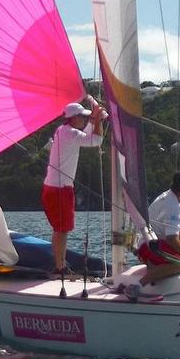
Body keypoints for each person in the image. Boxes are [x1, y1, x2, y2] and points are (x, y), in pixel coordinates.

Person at [42, 98, 107, 274]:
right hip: (59, 189)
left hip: (56, 187)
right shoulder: (70, 133)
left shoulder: (63, 131)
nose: (84, 120)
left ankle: (60, 265)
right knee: (62, 229)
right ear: (73, 118)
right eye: (82, 117)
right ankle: (60, 266)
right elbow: (96, 140)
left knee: (61, 229)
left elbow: (86, 135)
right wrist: (98, 120)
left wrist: (93, 120)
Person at [136, 170, 180, 285]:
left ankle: (161, 267)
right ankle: (138, 285)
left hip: (163, 244)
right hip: (149, 245)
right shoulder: (171, 203)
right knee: (179, 264)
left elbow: (177, 230)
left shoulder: (175, 199)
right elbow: (171, 238)